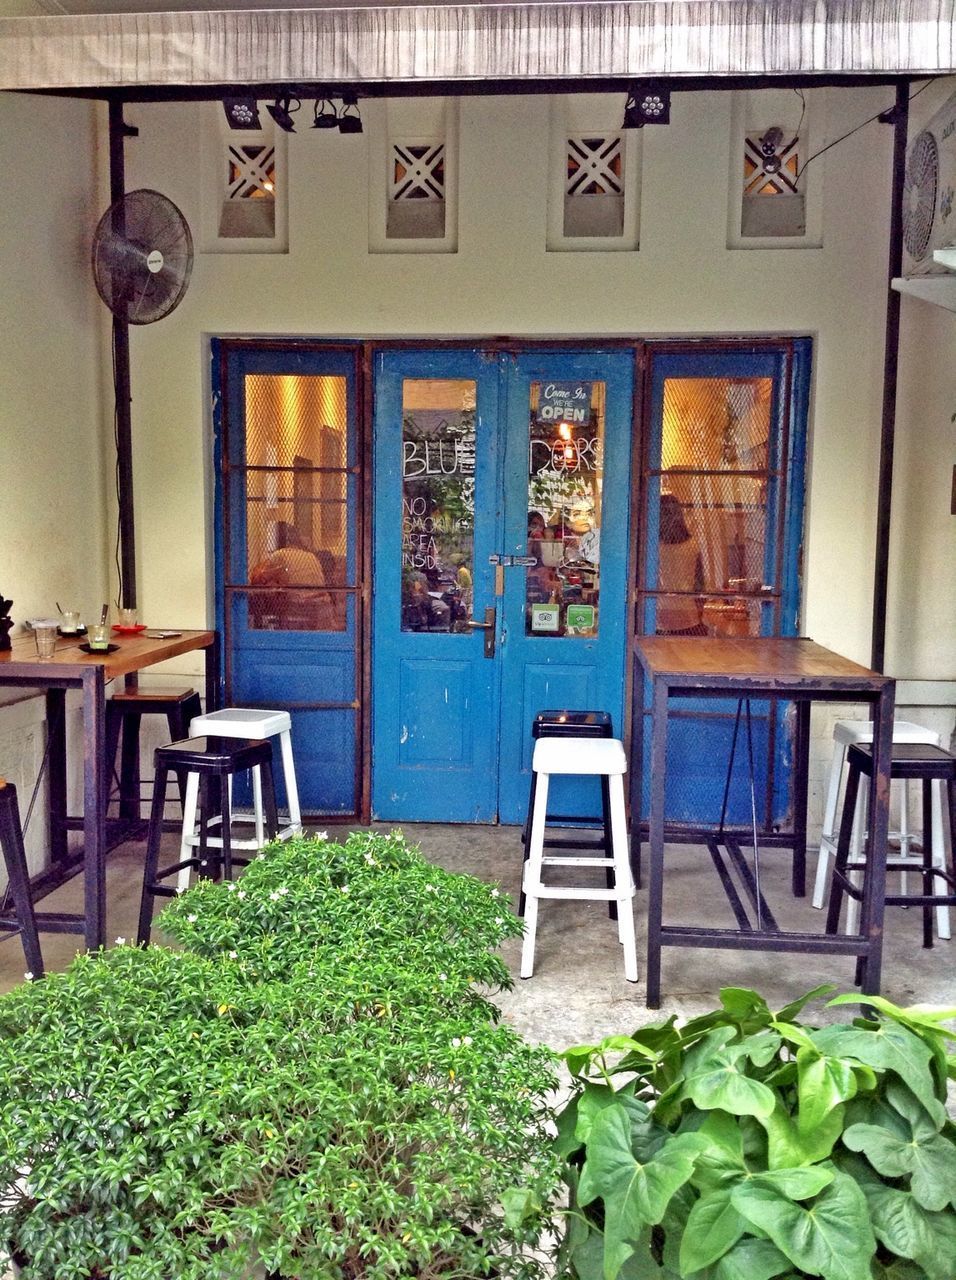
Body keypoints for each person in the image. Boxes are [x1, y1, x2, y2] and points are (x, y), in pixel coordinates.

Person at [249, 520, 331, 629]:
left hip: (298, 607)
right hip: (320, 609)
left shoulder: (280, 555)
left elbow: (260, 578)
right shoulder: (311, 555)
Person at [655, 494, 706, 635]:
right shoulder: (693, 545)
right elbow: (700, 584)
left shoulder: (652, 547)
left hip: (657, 616)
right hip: (688, 616)